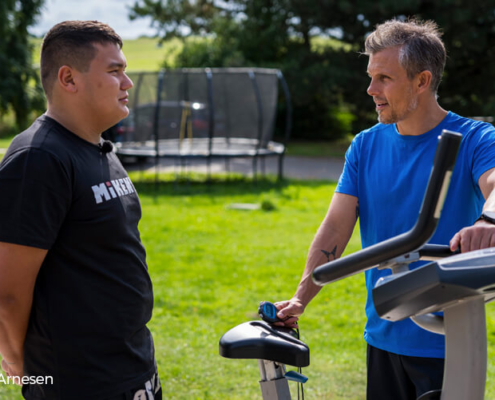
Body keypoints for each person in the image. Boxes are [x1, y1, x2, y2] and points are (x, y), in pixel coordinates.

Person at [274, 18, 495, 400]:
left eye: (384, 79)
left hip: (448, 340)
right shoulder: (365, 145)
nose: (370, 89)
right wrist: (301, 297)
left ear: (422, 81)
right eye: (371, 76)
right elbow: (335, 229)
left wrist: (489, 218)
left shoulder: (475, 139)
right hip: (383, 334)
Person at [0, 21, 161, 399]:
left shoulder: (99, 148)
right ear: (69, 79)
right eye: (114, 71)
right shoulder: (38, 159)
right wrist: (19, 363)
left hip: (132, 365)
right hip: (76, 380)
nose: (128, 83)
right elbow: (7, 289)